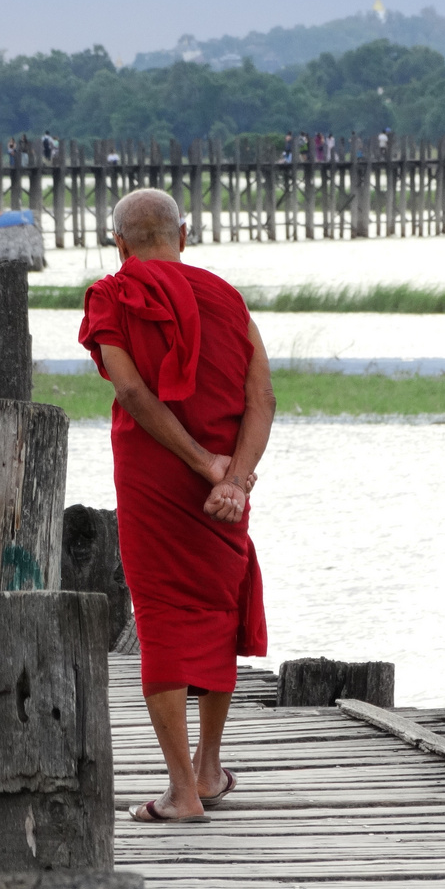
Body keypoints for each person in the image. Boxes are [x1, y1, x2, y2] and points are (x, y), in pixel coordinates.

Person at [79, 188, 274, 823]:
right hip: (223, 493)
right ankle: (211, 766)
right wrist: (235, 481)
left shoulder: (112, 294)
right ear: (183, 237)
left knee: (163, 616)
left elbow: (131, 392)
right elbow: (262, 398)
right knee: (217, 609)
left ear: (119, 245)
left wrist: (202, 465)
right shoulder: (227, 298)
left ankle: (183, 790)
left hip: (158, 478)